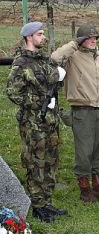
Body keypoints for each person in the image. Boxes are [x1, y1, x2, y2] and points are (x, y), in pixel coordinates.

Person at [6, 22, 68, 222]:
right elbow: (13, 92)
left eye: (43, 33)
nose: (43, 37)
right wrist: (39, 103)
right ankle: (37, 205)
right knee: (36, 162)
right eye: (39, 34)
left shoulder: (44, 60)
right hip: (33, 122)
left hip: (50, 121)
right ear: (29, 37)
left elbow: (51, 81)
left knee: (51, 160)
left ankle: (47, 202)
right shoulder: (21, 63)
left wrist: (58, 78)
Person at [51, 24, 99, 202]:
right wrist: (74, 44)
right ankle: (85, 188)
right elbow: (55, 58)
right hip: (81, 109)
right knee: (84, 151)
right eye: (89, 38)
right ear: (80, 40)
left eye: (95, 38)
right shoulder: (72, 57)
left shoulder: (98, 58)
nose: (93, 40)